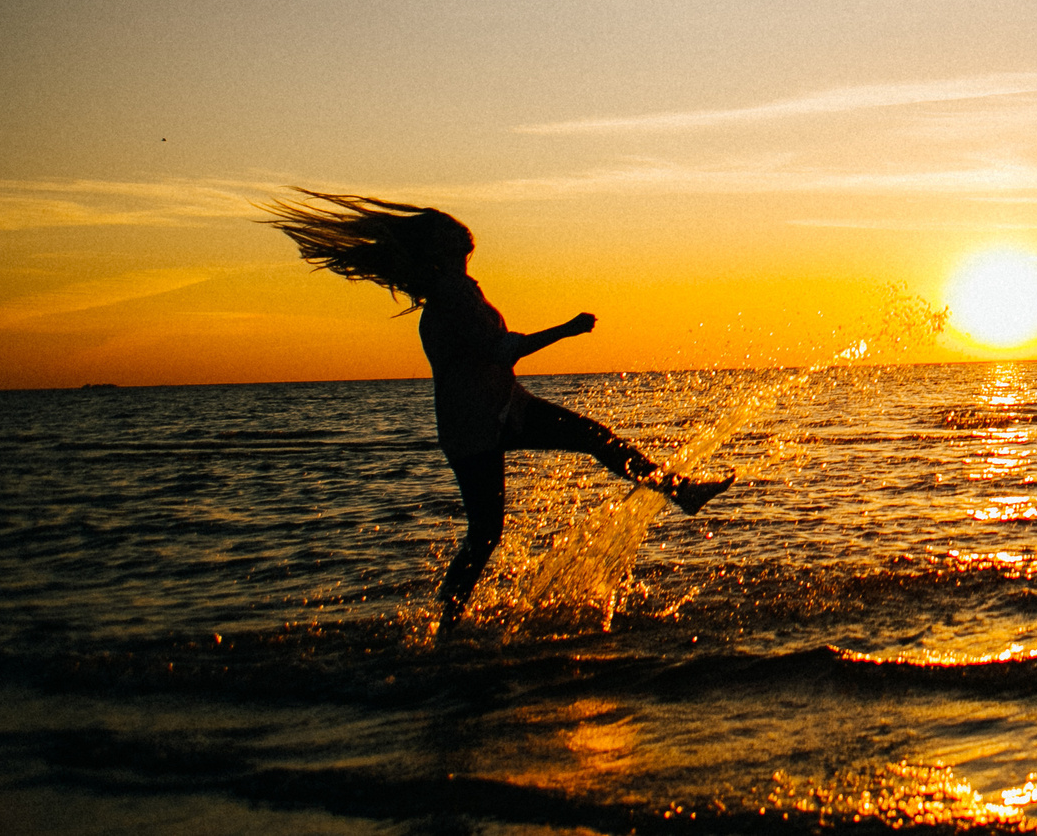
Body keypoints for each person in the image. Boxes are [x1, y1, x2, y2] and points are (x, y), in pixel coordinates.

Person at [261, 190, 731, 630]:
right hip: (472, 425)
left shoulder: (460, 290)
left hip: (504, 405)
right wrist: (565, 330)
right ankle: (445, 623)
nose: (467, 256)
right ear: (441, 254)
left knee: (592, 438)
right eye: (459, 250)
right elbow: (502, 349)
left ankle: (679, 491)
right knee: (485, 533)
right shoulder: (450, 297)